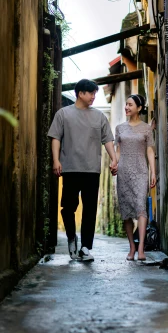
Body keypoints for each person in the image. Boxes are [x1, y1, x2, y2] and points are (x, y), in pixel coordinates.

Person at [48, 78, 118, 262]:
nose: (94, 96)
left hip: (91, 170)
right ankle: (72, 237)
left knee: (89, 209)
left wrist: (114, 159)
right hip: (70, 168)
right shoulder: (63, 114)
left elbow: (108, 140)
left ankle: (86, 247)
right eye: (91, 93)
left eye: (95, 93)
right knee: (67, 207)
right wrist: (56, 160)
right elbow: (55, 137)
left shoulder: (100, 117)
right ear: (80, 93)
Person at [115, 94, 156, 262]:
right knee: (126, 212)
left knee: (141, 207)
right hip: (123, 172)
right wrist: (114, 163)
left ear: (139, 108)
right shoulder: (119, 128)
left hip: (140, 171)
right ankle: (131, 247)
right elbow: (118, 150)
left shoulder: (146, 128)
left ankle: (141, 249)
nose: (126, 107)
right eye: (126, 104)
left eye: (130, 105)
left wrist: (153, 172)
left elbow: (150, 150)